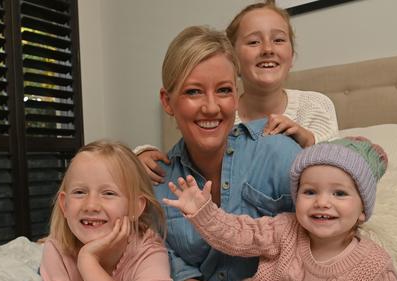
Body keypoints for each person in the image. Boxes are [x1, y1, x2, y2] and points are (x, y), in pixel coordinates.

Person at [121, 24, 397, 281]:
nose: (210, 107)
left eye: (223, 90)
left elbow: (344, 246)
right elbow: (172, 275)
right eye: (193, 92)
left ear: (236, 96)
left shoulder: (278, 153)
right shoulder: (156, 182)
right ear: (167, 101)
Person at [158, 138, 397, 281]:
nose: (322, 202)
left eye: (339, 193)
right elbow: (237, 234)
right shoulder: (285, 228)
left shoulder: (374, 265)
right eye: (310, 192)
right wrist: (203, 212)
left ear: (363, 210)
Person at [136, 0, 339, 184]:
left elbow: (343, 170)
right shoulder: (221, 124)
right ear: (234, 59)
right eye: (253, 42)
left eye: (278, 40)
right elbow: (182, 158)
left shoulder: (315, 106)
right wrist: (139, 156)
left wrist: (310, 143)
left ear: (292, 55)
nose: (268, 49)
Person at [37, 140, 172, 281]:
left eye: (108, 193)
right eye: (79, 192)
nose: (91, 205)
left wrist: (89, 262)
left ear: (135, 207)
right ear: (64, 204)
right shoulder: (57, 248)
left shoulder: (150, 252)